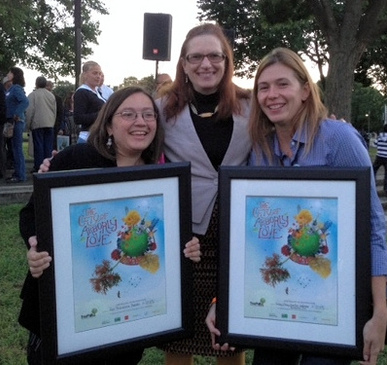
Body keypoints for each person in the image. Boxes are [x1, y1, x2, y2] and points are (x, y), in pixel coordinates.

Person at [205, 47, 387, 365]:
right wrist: (222, 301)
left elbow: (372, 227)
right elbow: (249, 237)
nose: (271, 95)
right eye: (263, 88)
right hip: (278, 298)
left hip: (334, 300)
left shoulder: (338, 139)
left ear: (306, 90)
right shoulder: (260, 150)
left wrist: (379, 311)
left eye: (282, 84)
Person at [18, 86, 201, 365]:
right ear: (109, 125)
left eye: (148, 115)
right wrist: (35, 245)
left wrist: (185, 247)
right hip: (63, 315)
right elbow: (32, 215)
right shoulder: (75, 159)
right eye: (128, 114)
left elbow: (165, 240)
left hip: (127, 322)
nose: (140, 122)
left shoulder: (161, 178)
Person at [156, 23, 252, 365]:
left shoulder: (251, 105)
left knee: (228, 339)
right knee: (180, 339)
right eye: (195, 57)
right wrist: (60, 162)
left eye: (214, 55)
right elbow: (125, 141)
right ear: (183, 64)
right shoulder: (162, 108)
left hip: (236, 238)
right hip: (186, 239)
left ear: (227, 61)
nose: (205, 64)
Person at [27, 76, 57, 172]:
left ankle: (38, 167)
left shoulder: (33, 95)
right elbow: (54, 110)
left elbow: (30, 111)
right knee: (48, 147)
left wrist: (29, 124)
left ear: (36, 84)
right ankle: (48, 166)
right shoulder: (51, 95)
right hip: (49, 123)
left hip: (37, 123)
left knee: (38, 147)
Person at [5, 66, 29, 183]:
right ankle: (18, 173)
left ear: (14, 75)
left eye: (10, 72)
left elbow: (25, 101)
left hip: (16, 122)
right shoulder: (12, 89)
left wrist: (16, 113)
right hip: (12, 121)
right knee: (14, 148)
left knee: (17, 148)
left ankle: (20, 175)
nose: (8, 74)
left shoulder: (16, 88)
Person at [74, 61, 105, 143]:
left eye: (100, 74)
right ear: (85, 75)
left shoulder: (98, 92)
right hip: (87, 138)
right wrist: (102, 114)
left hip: (97, 137)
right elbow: (78, 118)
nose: (98, 76)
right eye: (95, 73)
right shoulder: (82, 92)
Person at [45, 80, 65, 151]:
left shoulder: (57, 99)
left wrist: (60, 127)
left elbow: (61, 113)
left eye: (48, 86)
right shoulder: (57, 98)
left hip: (55, 125)